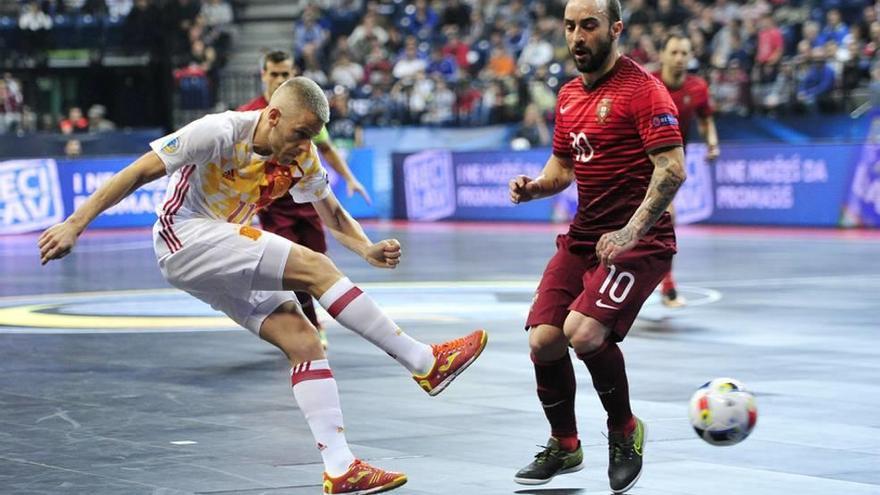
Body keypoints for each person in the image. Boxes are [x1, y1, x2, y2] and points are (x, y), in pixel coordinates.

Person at [38, 77, 488, 495]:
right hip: (185, 235)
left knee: (304, 339)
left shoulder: (302, 156)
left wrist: (366, 249)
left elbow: (331, 214)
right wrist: (74, 224)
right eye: (299, 133)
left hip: (222, 246)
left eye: (312, 136)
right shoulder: (217, 131)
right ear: (273, 116)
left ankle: (339, 467)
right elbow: (137, 172)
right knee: (314, 267)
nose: (304, 146)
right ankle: (424, 360)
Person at [508, 1, 685, 493]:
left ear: (615, 29)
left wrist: (630, 232)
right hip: (586, 237)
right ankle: (565, 446)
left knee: (583, 333)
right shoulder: (566, 96)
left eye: (588, 25)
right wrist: (535, 188)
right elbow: (563, 169)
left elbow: (672, 170)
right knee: (543, 340)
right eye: (569, 27)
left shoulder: (645, 92)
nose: (577, 36)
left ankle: (625, 430)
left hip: (640, 241)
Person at [238, 50, 371, 349]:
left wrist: (349, 178)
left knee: (317, 263)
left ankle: (307, 324)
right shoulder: (248, 115)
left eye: (286, 74)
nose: (280, 79)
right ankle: (308, 326)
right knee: (291, 270)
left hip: (308, 202)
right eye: (274, 74)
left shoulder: (305, 112)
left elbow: (326, 149)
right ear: (263, 75)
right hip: (273, 207)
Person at [653, 33, 719, 307]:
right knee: (665, 217)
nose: (679, 58)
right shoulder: (650, 84)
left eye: (684, 53)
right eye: (674, 53)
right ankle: (666, 287)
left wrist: (712, 144)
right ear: (663, 56)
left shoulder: (698, 88)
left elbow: (706, 120)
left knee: (661, 221)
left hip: (673, 163)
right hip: (642, 158)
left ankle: (663, 284)